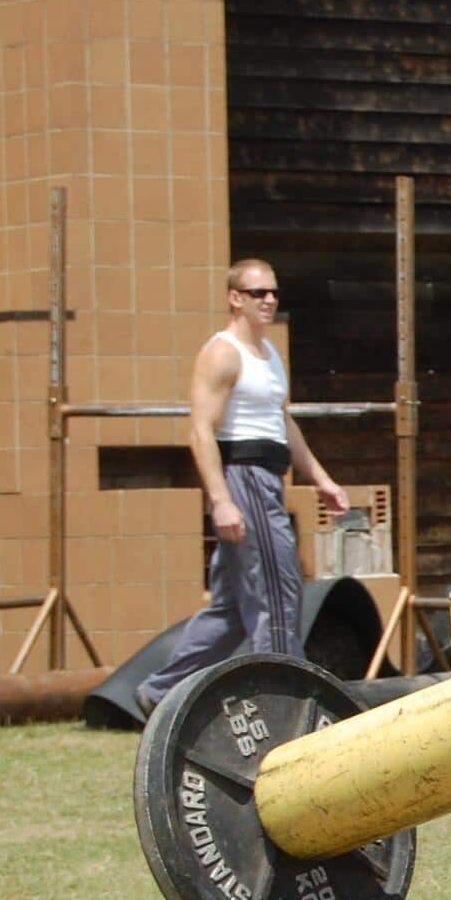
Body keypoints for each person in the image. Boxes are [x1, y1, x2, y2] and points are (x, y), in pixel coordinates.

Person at [135, 259, 350, 714]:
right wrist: (221, 501)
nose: (269, 300)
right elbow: (200, 431)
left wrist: (323, 479)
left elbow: (281, 422)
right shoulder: (222, 353)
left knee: (231, 612)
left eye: (273, 293)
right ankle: (285, 702)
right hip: (243, 479)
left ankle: (158, 692)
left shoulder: (269, 355)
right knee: (279, 590)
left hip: (269, 478)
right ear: (235, 298)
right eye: (258, 293)